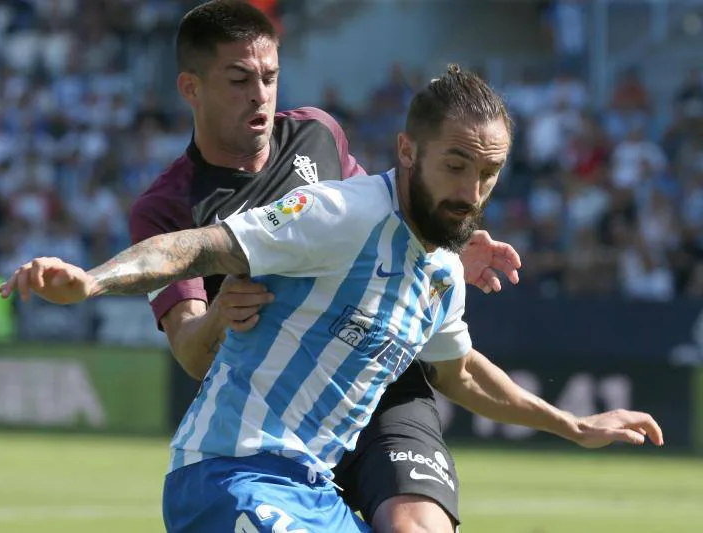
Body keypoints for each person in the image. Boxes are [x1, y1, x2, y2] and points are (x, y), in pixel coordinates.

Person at [0, 65, 664, 533]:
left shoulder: (440, 270)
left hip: (313, 493)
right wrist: (92, 278)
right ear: (407, 151)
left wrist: (574, 425)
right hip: (230, 473)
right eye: (455, 165)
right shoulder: (339, 215)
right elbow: (195, 246)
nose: (471, 189)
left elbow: (458, 371)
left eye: (488, 173)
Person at [130, 2, 520, 531]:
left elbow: (390, 209)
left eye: (270, 76)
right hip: (279, 416)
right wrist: (219, 316)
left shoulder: (316, 133)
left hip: (383, 385)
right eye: (239, 78)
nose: (260, 94)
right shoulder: (169, 207)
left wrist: (446, 240)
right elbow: (193, 353)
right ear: (190, 88)